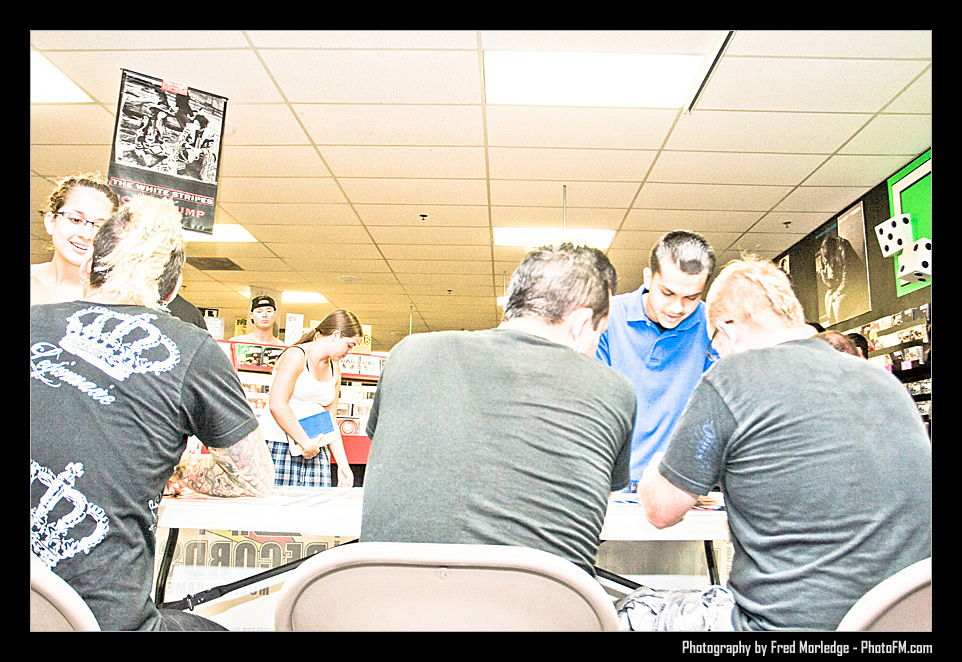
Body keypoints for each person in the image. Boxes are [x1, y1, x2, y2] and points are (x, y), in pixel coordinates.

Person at [634, 255, 931, 631]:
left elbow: (661, 510)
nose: (716, 353)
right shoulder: (884, 382)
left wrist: (655, 464)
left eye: (713, 344)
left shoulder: (733, 377)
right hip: (901, 624)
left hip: (782, 628)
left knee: (632, 611)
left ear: (727, 328)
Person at [30, 195, 275, 631]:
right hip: (105, 621)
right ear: (175, 286)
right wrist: (179, 471)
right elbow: (252, 476)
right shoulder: (193, 349)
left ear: (89, 268)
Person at [360, 243, 636, 576]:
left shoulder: (408, 353)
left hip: (386, 606)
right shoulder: (613, 389)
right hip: (545, 613)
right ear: (580, 323)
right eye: (599, 333)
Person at [596, 230, 715, 486]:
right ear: (649, 278)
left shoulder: (712, 327)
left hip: (678, 485)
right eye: (668, 293)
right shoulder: (608, 317)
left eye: (691, 298)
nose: (677, 308)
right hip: (609, 482)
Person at [258, 310, 362, 488]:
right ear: (336, 335)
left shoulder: (334, 369)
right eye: (349, 345)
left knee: (316, 508)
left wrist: (343, 464)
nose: (349, 352)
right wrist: (305, 442)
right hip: (279, 446)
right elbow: (277, 404)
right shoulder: (296, 356)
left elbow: (330, 420)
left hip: (316, 449)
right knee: (275, 509)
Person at [31, 173, 121, 305]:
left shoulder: (114, 299)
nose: (86, 235)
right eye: (76, 220)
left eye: (99, 226)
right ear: (51, 222)